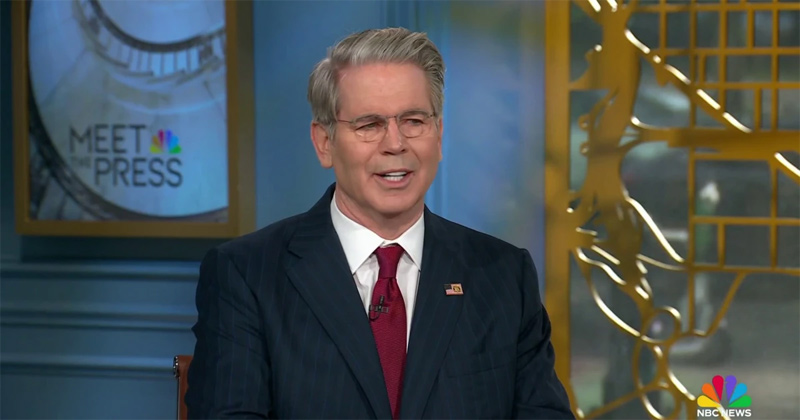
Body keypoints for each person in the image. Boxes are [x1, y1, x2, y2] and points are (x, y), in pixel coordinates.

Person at [186, 27, 574, 419]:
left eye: (414, 121)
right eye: (369, 124)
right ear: (324, 142)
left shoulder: (504, 275)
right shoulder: (247, 275)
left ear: (438, 135)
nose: (395, 143)